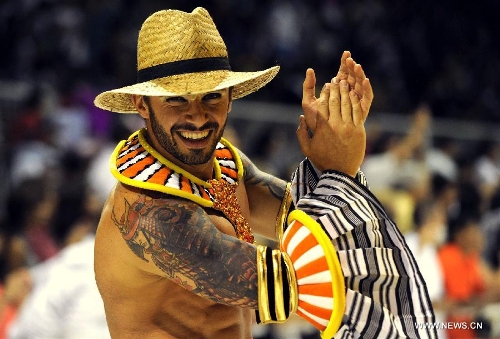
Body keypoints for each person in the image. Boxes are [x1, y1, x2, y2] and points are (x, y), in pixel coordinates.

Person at [93, 7, 436, 339]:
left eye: (211, 97)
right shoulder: (146, 211)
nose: (197, 116)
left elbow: (306, 224)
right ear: (141, 105)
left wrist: (328, 158)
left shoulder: (227, 166)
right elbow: (282, 283)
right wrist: (339, 169)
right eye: (176, 101)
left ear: (231, 97)